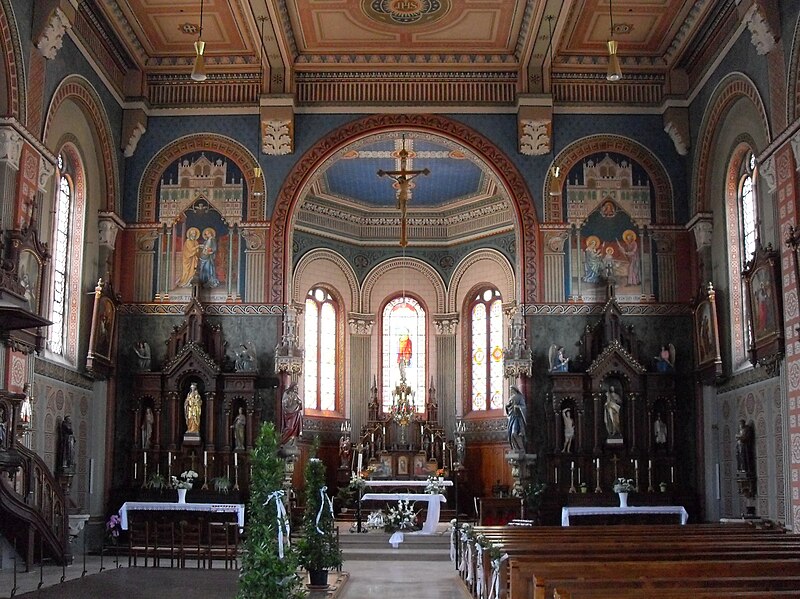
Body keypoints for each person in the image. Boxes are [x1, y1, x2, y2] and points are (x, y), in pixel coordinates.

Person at [505, 385, 527, 452]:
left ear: (515, 389)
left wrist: (518, 407)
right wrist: (507, 406)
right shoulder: (511, 398)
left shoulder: (520, 397)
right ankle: (515, 448)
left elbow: (523, 407)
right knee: (511, 435)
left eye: (512, 389)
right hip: (511, 417)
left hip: (517, 417)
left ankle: (521, 448)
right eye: (510, 390)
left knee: (515, 433)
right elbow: (508, 408)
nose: (511, 391)